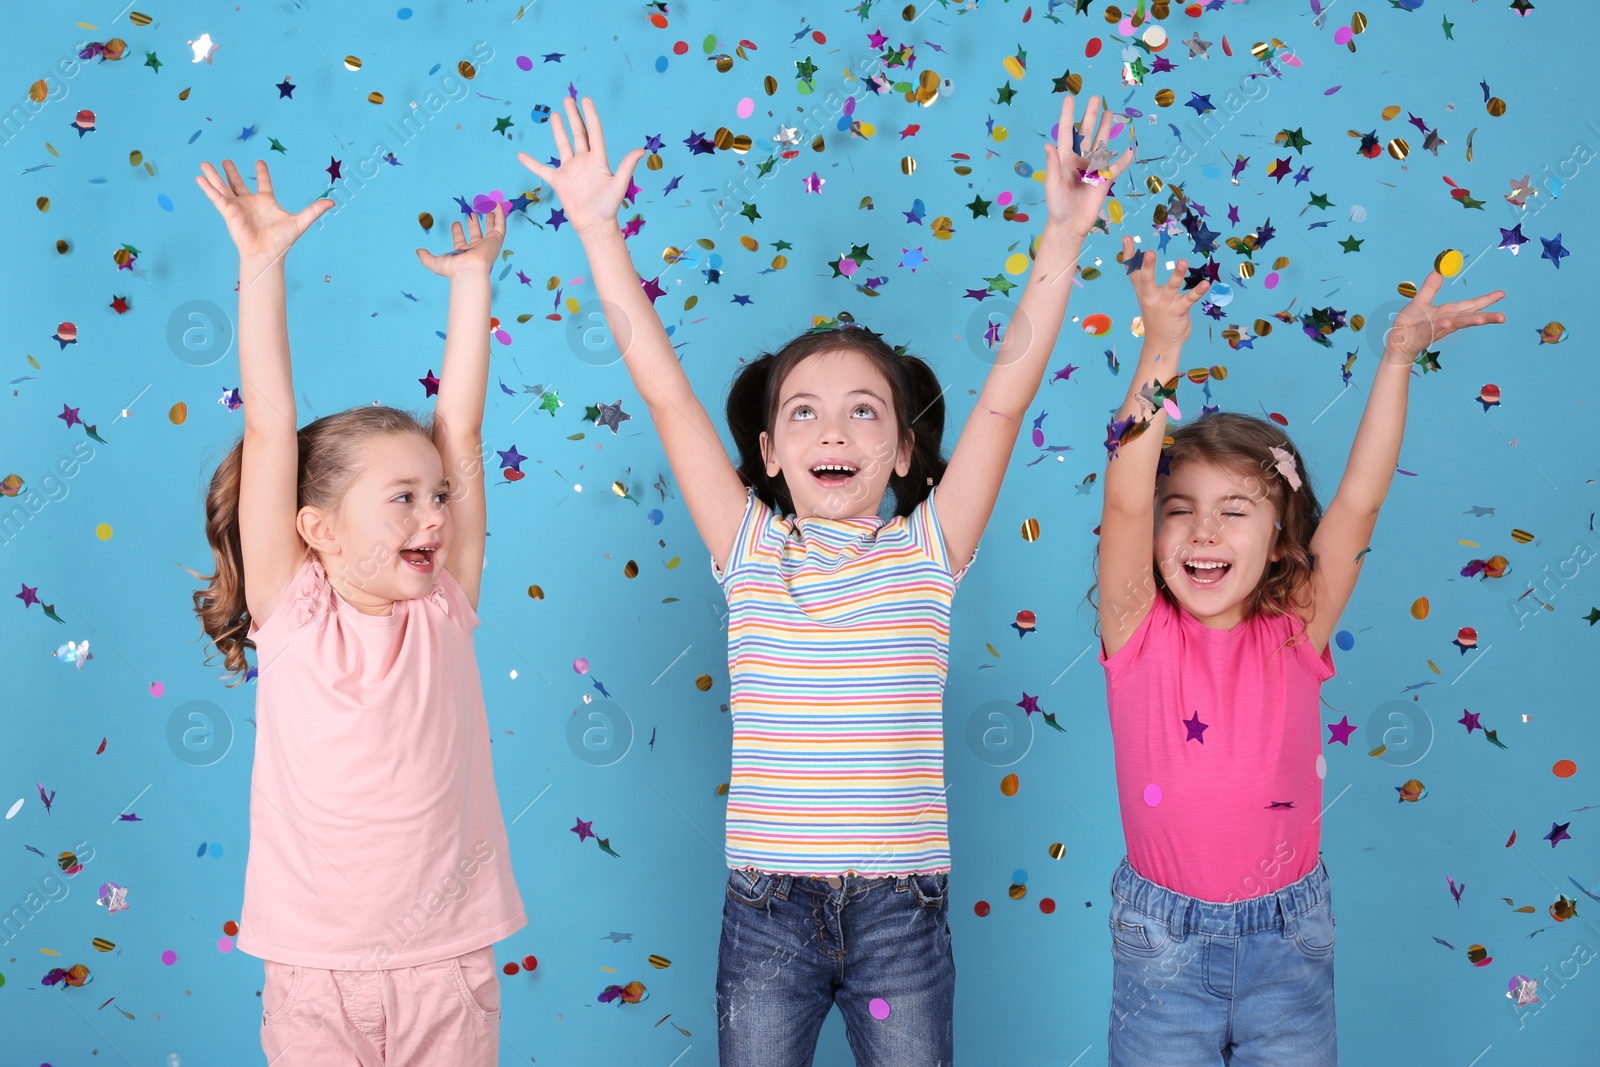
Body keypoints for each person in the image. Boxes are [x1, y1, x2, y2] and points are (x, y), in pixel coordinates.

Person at [521, 93, 1130, 1066]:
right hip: (767, 906)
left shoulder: (927, 551)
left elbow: (1007, 401)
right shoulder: (751, 548)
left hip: (902, 910)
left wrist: (1062, 235)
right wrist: (597, 227)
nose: (833, 431)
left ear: (901, 448)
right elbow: (664, 389)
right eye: (803, 413)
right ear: (767, 451)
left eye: (861, 412)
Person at [1093, 237, 1505, 1065]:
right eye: (1183, 508)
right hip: (1162, 943)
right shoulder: (1136, 628)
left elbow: (1360, 498)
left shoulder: (1298, 628)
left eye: (1236, 509)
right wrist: (1162, 345)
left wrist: (1396, 358)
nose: (1204, 530)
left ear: (1282, 538)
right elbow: (1125, 494)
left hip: (1289, 938)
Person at [191, 159, 524, 1065]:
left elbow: (461, 428)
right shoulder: (291, 613)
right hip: (315, 975)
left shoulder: (444, 604)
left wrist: (473, 287)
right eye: (402, 499)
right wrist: (261, 260)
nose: (434, 516)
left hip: (446, 967)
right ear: (317, 530)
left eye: (438, 497)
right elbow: (270, 422)